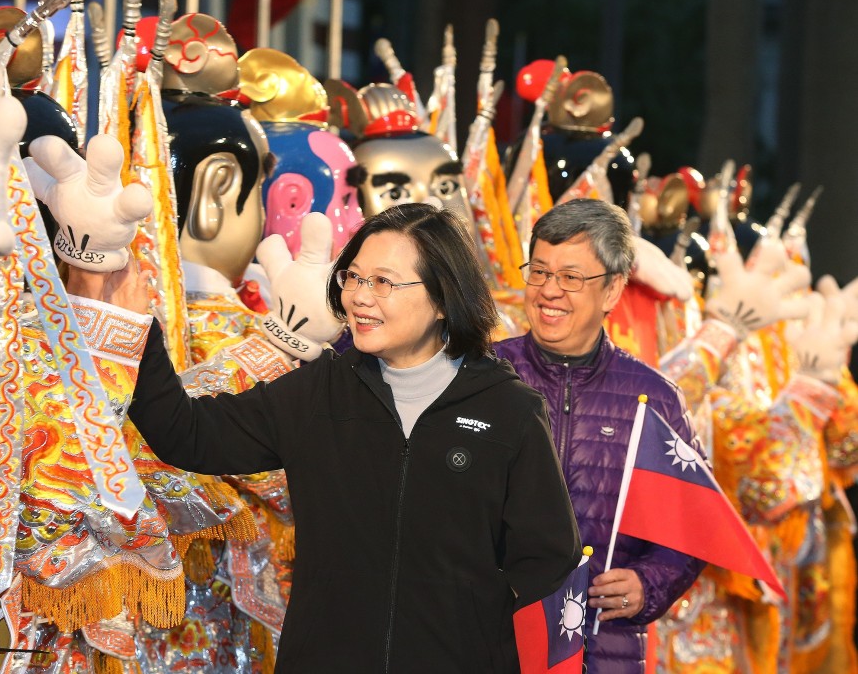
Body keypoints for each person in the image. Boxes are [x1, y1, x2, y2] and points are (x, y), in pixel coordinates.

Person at [124, 202, 582, 672]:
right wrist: (139, 332)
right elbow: (188, 433)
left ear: (444, 298)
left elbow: (549, 555)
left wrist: (469, 617)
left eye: (383, 282)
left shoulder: (507, 410)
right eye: (354, 277)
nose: (360, 297)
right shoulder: (318, 393)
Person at [493, 198, 707, 673]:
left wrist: (649, 583)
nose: (549, 291)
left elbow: (693, 523)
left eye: (571, 278)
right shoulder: (482, 377)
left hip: (604, 648)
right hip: (489, 639)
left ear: (612, 290)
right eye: (540, 272)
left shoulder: (654, 399)